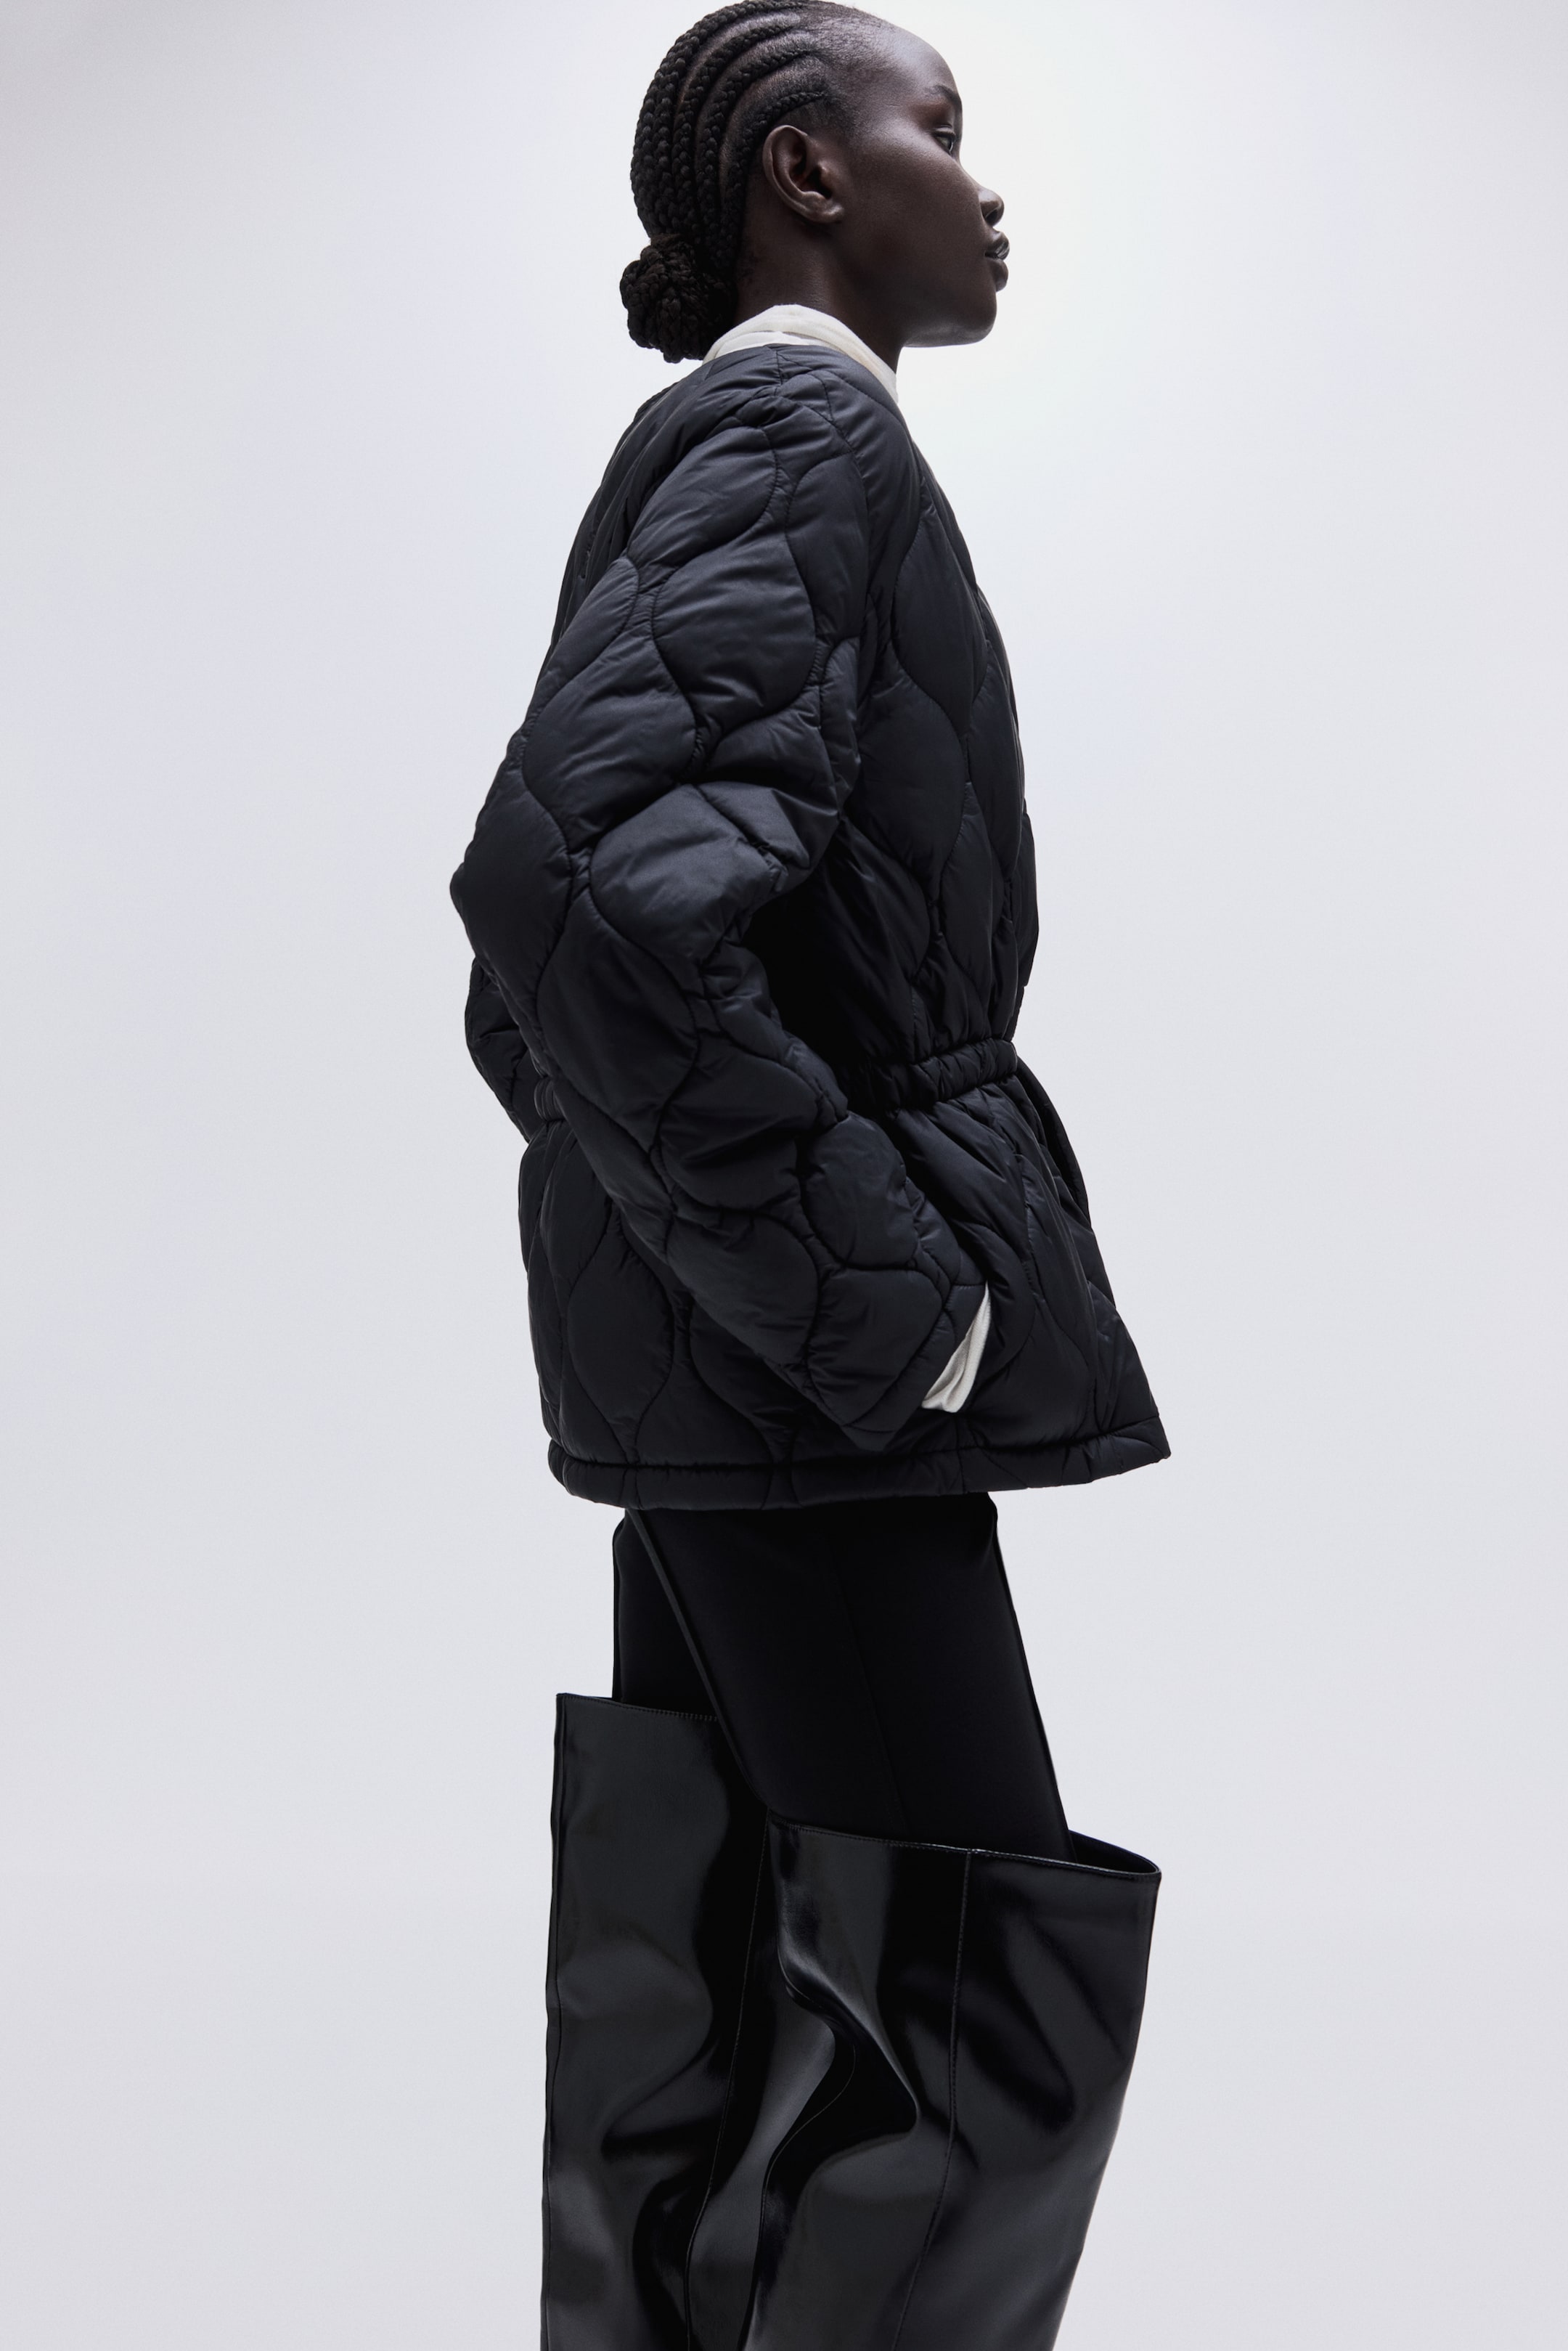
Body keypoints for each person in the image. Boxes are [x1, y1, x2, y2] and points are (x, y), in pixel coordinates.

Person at [452, 5, 1170, 2343]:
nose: (986, 181)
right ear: (806, 172)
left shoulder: (745, 449)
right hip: (813, 1392)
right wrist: (893, 1311)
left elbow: (556, 968)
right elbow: (576, 923)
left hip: (736, 1377)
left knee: (705, 2004)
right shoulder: (796, 435)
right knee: (968, 2029)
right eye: (938, 129)